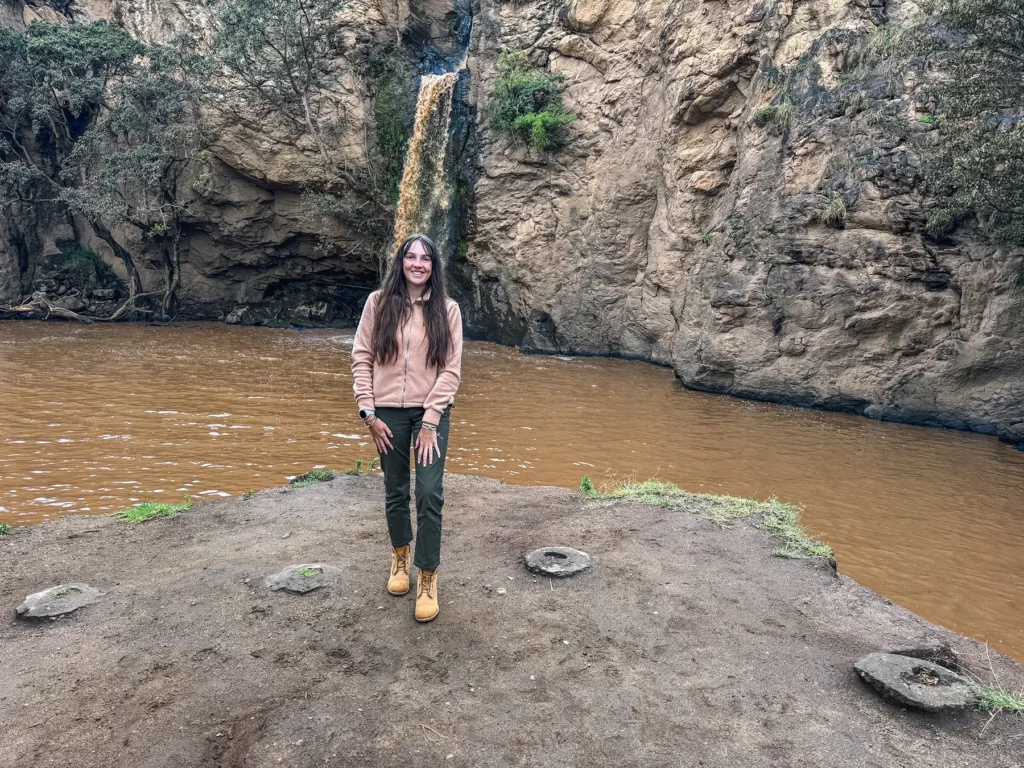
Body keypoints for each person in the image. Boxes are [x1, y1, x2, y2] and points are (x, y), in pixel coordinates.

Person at [350, 233, 464, 623]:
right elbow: (362, 358)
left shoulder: (447, 310)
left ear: (434, 267)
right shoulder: (377, 304)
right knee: (395, 488)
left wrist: (432, 419)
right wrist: (368, 413)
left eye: (426, 258)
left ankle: (427, 575)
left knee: (430, 492)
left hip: (430, 415)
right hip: (386, 414)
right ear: (400, 262)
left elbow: (451, 369)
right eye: (411, 256)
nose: (418, 263)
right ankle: (401, 559)